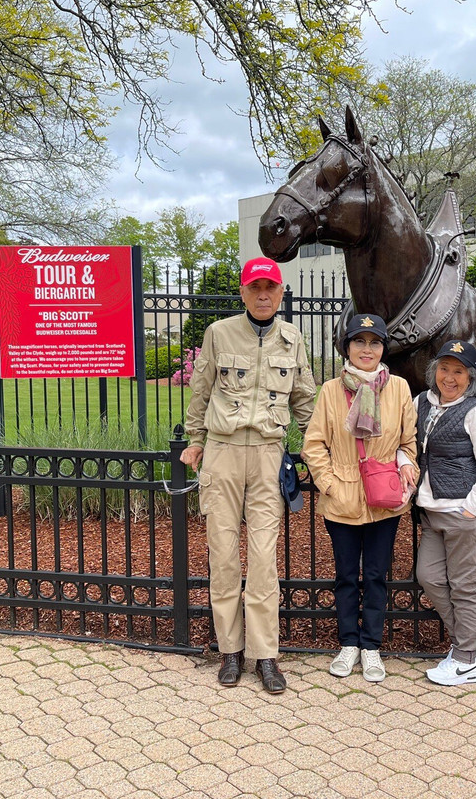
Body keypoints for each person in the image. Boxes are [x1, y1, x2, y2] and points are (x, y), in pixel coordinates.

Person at [181, 257, 316, 695]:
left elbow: (305, 401)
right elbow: (201, 390)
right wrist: (195, 439)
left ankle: (265, 655)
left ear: (280, 293)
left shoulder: (293, 339)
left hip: (267, 455)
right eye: (255, 287)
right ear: (243, 292)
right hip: (222, 452)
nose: (263, 295)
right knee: (222, 554)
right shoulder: (220, 333)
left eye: (271, 288)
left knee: (263, 558)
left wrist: (318, 449)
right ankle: (230, 651)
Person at [302, 314, 417, 682]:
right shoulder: (331, 390)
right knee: (347, 576)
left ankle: (371, 647)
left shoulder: (398, 388)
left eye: (374, 342)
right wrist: (330, 484)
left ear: (383, 348)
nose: (367, 349)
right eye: (359, 342)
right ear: (347, 347)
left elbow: (408, 443)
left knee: (377, 575)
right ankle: (348, 642)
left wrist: (405, 470)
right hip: (343, 496)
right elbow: (314, 443)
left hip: (383, 498)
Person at [413, 340, 476, 686]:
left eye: (459, 371)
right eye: (444, 368)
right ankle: (472, 642)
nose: (449, 377)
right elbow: (408, 444)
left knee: (465, 586)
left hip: (464, 513)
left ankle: (466, 661)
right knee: (430, 577)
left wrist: (470, 508)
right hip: (432, 512)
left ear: (471, 377)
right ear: (434, 370)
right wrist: (407, 464)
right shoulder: (422, 402)